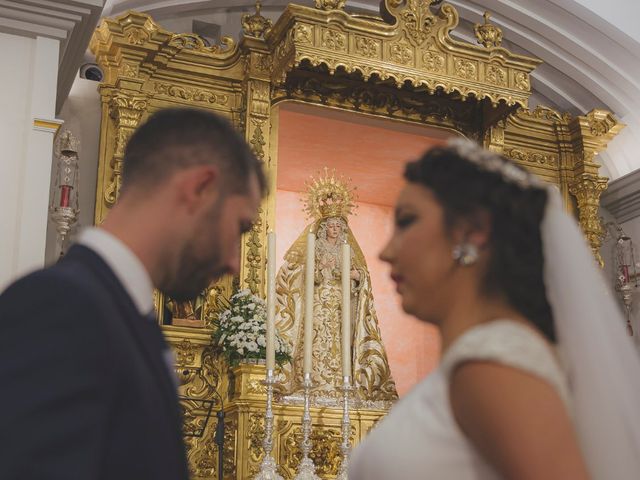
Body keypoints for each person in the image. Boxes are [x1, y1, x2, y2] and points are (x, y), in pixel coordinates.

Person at [349, 138, 640, 479]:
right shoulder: (480, 361)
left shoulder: (493, 364)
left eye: (407, 221)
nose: (386, 252)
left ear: (473, 233)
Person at [0, 108, 265, 479]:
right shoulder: (60, 306)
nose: (235, 263)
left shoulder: (124, 316)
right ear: (200, 189)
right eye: (239, 226)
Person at [276, 173, 397, 402]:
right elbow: (297, 276)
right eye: (331, 225)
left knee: (340, 344)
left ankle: (342, 384)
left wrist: (355, 275)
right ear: (324, 228)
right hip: (318, 302)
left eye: (338, 226)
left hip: (341, 305)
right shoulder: (314, 248)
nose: (334, 229)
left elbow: (362, 276)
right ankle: (311, 382)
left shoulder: (347, 251)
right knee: (315, 340)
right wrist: (318, 270)